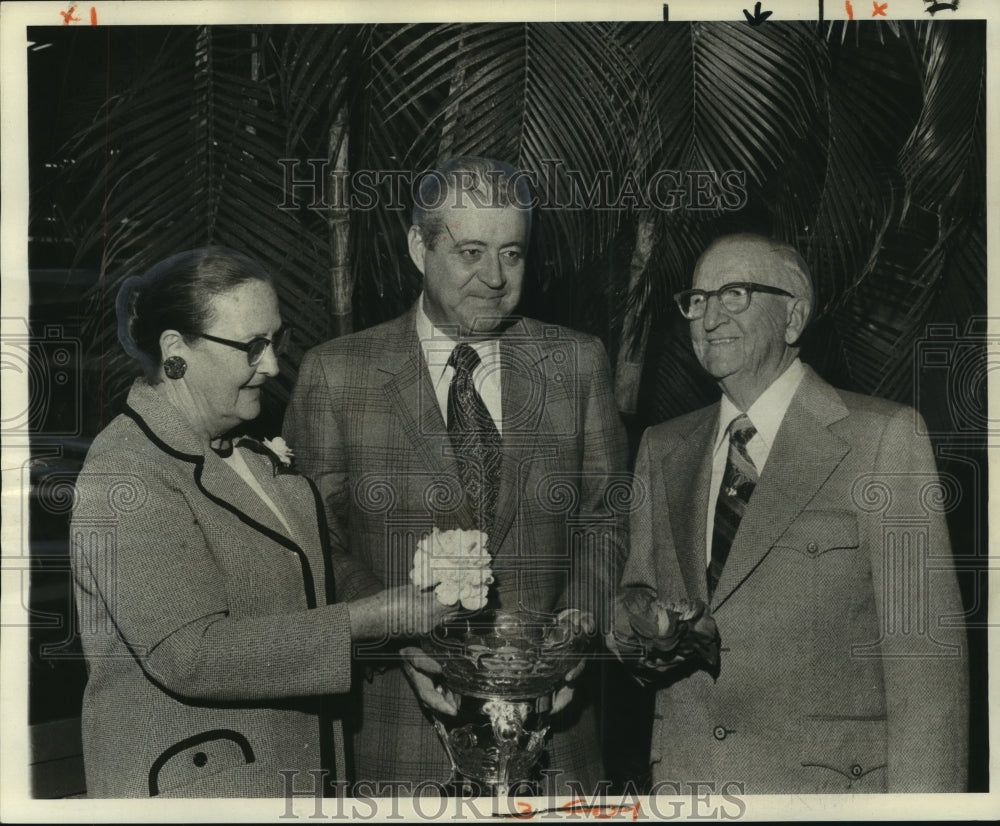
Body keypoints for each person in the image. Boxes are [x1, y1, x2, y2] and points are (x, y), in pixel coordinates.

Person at [283, 156, 628, 794]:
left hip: (555, 742)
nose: (494, 277)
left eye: (513, 254)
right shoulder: (337, 374)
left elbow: (605, 517)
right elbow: (315, 543)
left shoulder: (576, 364)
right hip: (398, 737)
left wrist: (575, 630)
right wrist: (393, 632)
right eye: (470, 250)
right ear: (419, 245)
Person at [69, 247, 451, 798]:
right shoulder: (126, 472)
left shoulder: (246, 451)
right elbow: (190, 656)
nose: (272, 366)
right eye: (251, 346)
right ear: (175, 351)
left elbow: (310, 575)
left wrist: (398, 635)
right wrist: (369, 620)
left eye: (276, 340)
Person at [614, 233, 968, 793]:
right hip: (686, 790)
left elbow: (927, 677)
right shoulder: (663, 448)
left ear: (793, 317)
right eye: (697, 299)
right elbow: (636, 605)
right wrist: (642, 634)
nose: (707, 316)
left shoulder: (882, 440)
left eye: (734, 293)